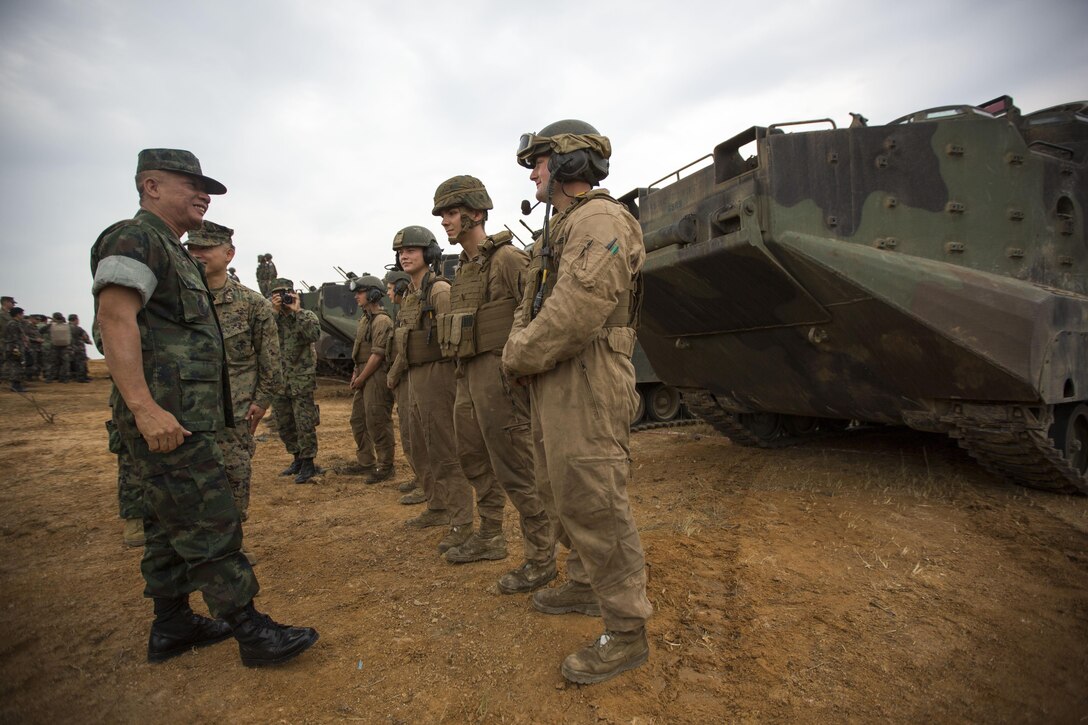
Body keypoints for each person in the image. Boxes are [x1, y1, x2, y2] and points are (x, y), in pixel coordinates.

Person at [91, 147, 317, 667]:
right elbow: (114, 318)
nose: (203, 196)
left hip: (185, 419)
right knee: (212, 521)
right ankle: (252, 632)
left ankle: (172, 624)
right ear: (150, 186)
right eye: (190, 186)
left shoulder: (171, 251)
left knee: (166, 525)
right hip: (168, 419)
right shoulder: (136, 238)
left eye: (207, 190)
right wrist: (145, 409)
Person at [503, 121, 652, 684]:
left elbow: (575, 310)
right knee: (556, 489)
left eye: (539, 162)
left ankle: (627, 633)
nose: (533, 173)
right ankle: (587, 585)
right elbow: (531, 304)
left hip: (586, 376)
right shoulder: (556, 230)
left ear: (567, 165)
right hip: (553, 374)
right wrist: (520, 350)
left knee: (594, 501)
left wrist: (517, 355)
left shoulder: (601, 220)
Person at [432, 175, 557, 590]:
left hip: (500, 378)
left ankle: (541, 558)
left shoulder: (506, 259)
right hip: (467, 376)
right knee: (472, 458)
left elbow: (542, 309)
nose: (445, 222)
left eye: (452, 213)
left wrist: (523, 367)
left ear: (477, 213)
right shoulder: (467, 267)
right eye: (443, 215)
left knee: (517, 467)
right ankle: (490, 535)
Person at [186, 220, 283, 560]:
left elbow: (271, 362)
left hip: (236, 414)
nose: (196, 255)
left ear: (228, 254)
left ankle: (230, 549)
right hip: (187, 412)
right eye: (191, 249)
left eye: (204, 249)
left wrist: (260, 402)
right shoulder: (176, 299)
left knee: (234, 478)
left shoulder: (251, 305)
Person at [386, 226, 475, 541]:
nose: (404, 255)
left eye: (411, 249)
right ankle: (437, 505)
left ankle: (462, 522)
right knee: (420, 446)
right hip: (414, 377)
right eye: (401, 251)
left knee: (444, 449)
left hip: (438, 376)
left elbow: (455, 341)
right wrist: (395, 374)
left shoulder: (438, 290)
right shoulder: (411, 294)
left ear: (429, 253)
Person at [341, 275, 395, 483]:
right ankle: (366, 461)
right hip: (364, 373)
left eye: (361, 292)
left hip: (376, 375)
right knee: (358, 420)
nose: (357, 296)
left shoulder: (382, 321)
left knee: (378, 421)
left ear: (373, 294)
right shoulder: (365, 319)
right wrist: (357, 373)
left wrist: (362, 377)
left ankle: (386, 465)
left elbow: (378, 354)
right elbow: (361, 351)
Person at [268, 278, 322, 483]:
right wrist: (272, 312)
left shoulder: (305, 316)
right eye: (277, 294)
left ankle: (309, 462)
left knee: (304, 423)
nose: (282, 298)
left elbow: (313, 334)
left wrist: (297, 311)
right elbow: (259, 337)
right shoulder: (269, 318)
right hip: (279, 381)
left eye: (285, 293)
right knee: (284, 423)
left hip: (301, 380)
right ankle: (297, 458)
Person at [383, 269, 424, 502]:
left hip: (408, 377)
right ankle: (420, 478)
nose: (389, 293)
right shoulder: (401, 310)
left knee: (414, 434)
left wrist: (393, 373)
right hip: (404, 379)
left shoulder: (409, 306)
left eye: (390, 288)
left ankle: (425, 484)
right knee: (409, 434)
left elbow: (405, 347)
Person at [3, 307, 28, 392]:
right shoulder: (13, 324)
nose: (23, 316)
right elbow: (14, 338)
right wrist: (17, 349)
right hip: (14, 347)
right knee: (16, 365)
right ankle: (15, 385)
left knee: (17, 365)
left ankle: (16, 384)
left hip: (14, 346)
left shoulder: (15, 323)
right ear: (18, 314)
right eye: (22, 314)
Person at [45, 312, 71, 382]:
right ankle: (64, 378)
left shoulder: (51, 325)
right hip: (65, 346)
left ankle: (49, 378)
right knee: (65, 363)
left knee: (52, 362)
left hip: (54, 346)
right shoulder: (67, 325)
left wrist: (51, 322)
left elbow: (41, 331)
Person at [68, 314, 92, 382]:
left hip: (68, 348)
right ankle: (82, 377)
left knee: (72, 363)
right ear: (76, 320)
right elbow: (85, 337)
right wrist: (88, 341)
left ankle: (74, 376)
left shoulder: (65, 327)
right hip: (78, 348)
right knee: (81, 363)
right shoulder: (78, 328)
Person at [0, 296, 14, 382]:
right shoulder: (1, 315)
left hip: (8, 342)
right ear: (6, 302)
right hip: (3, 341)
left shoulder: (9, 315)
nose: (13, 304)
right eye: (12, 303)